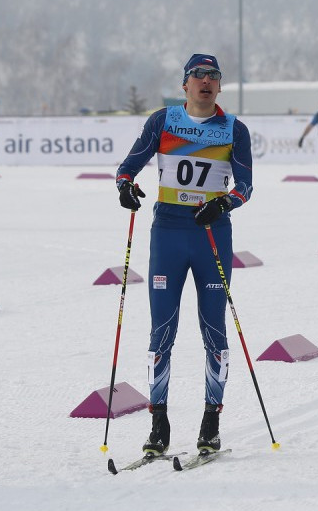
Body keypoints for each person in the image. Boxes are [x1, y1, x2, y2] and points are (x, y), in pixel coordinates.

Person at [115, 53, 254, 456]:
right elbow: (130, 166)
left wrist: (224, 203)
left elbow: (245, 185)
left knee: (213, 328)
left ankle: (211, 420)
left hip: (211, 236)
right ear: (185, 84)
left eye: (213, 76)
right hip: (168, 234)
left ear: (220, 86)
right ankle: (159, 423)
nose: (206, 81)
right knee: (162, 330)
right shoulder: (163, 121)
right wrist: (126, 186)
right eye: (198, 75)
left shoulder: (233, 128)